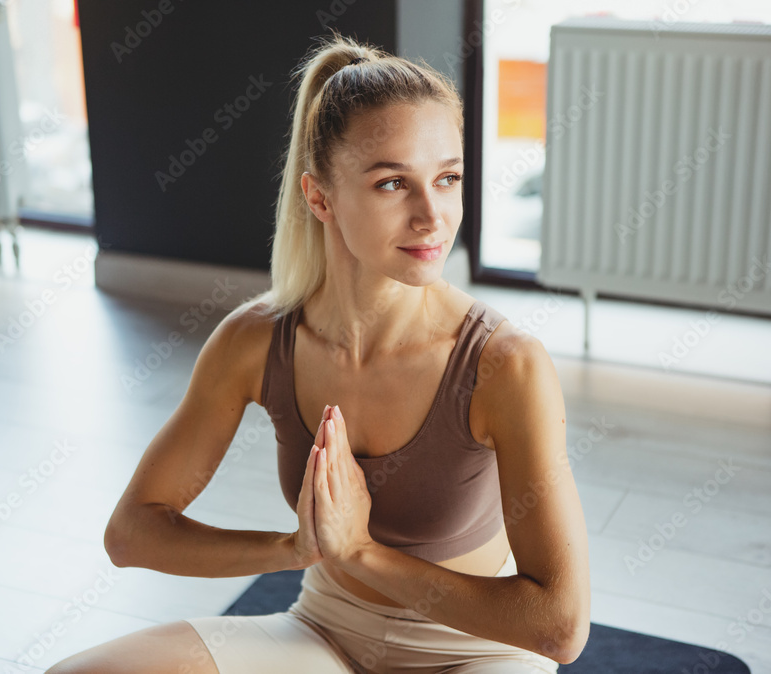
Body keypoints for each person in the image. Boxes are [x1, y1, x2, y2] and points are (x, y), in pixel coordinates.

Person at [46, 28, 590, 674]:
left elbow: (559, 627)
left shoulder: (506, 364)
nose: (432, 216)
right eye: (393, 184)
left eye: (447, 179)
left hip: (472, 650)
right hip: (327, 631)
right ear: (319, 197)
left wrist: (358, 552)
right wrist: (293, 547)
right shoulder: (256, 341)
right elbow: (132, 532)